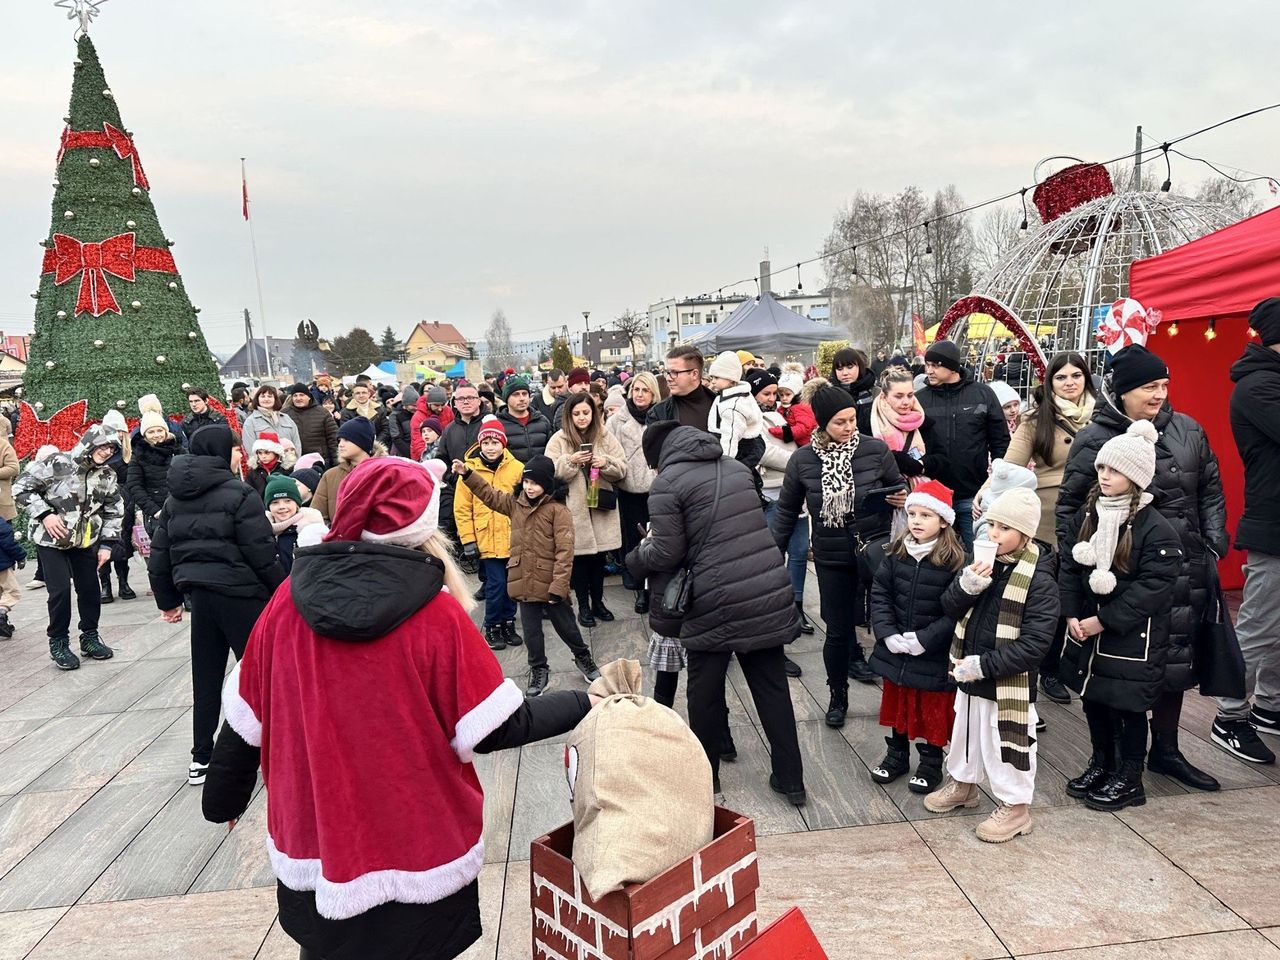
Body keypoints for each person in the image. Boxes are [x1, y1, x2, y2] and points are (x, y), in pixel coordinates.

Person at [201, 457, 594, 960]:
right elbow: (497, 726)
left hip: (316, 836)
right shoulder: (438, 615)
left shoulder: (285, 604)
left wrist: (223, 799)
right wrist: (586, 701)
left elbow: (245, 720)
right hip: (418, 843)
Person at [1056, 343, 1227, 792]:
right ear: (1124, 390)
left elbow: (1210, 489)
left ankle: (1166, 751)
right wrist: (1076, 565)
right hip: (1116, 577)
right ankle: (1112, 759)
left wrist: (1212, 544)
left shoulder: (1188, 429)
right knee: (1116, 671)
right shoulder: (1095, 438)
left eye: (1164, 385)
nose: (1159, 394)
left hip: (1183, 570)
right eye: (1150, 386)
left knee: (1174, 663)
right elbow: (1070, 508)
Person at [627, 422, 805, 804]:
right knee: (772, 688)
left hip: (713, 598)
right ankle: (791, 779)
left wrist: (637, 556)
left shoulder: (667, 483)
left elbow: (667, 553)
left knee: (704, 693)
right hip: (763, 588)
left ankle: (706, 778)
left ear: (658, 455)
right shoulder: (736, 468)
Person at [148, 425, 285, 785]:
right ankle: (272, 748)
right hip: (243, 597)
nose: (241, 455)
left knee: (206, 677)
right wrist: (283, 591)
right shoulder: (240, 494)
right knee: (260, 675)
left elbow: (160, 554)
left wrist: (168, 601)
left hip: (201, 599)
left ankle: (201, 756)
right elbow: (261, 553)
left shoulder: (175, 498)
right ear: (222, 451)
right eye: (237, 449)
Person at [1058, 420, 1182, 810]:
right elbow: (1069, 566)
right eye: (1102, 467)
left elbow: (1153, 589)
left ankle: (1130, 777)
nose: (1105, 475)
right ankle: (1102, 763)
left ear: (1136, 477)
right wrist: (1070, 613)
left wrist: (1104, 620)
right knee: (1094, 699)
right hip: (1088, 629)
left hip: (1132, 637)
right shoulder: (1089, 514)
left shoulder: (1155, 528)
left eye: (1115, 470)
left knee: (1127, 706)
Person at [925, 487, 1058, 843]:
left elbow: (1035, 644)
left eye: (1004, 528)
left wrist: (983, 665)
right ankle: (964, 784)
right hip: (969, 672)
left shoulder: (1039, 579)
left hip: (1005, 680)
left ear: (1025, 533)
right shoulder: (981, 562)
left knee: (1006, 742)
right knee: (965, 733)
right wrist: (968, 585)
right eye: (991, 524)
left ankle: (1016, 807)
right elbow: (949, 607)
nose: (994, 533)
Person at [772, 385, 904, 725]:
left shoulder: (874, 449)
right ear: (822, 423)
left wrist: (901, 497)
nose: (848, 428)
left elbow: (898, 485)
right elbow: (786, 511)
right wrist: (773, 555)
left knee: (886, 625)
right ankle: (837, 695)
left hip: (875, 551)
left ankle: (895, 697)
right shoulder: (803, 460)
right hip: (832, 555)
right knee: (837, 630)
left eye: (852, 420)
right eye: (840, 422)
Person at [976, 351, 1097, 704]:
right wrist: (987, 491)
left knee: (1087, 590)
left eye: (1076, 375)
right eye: (1061, 377)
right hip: (1048, 516)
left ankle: (1082, 665)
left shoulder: (1102, 416)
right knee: (1051, 594)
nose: (1069, 382)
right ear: (1050, 382)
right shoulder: (1036, 419)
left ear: (1086, 379)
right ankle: (1048, 669)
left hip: (1093, 514)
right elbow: (1010, 465)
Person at [457, 453, 600, 696]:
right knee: (531, 632)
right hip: (523, 579)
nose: (529, 487)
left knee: (567, 626)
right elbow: (490, 495)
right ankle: (538, 669)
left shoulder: (558, 511)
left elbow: (565, 551)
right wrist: (468, 474)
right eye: (526, 482)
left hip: (550, 581)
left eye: (535, 483)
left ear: (547, 484)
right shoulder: (516, 505)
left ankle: (583, 656)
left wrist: (559, 586)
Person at [1213, 298, 1280, 763]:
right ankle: (1229, 715)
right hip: (1272, 522)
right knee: (1259, 624)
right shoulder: (1258, 387)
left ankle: (1270, 705)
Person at [868, 480, 964, 795]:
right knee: (898, 704)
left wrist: (925, 639)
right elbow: (880, 594)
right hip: (897, 648)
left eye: (926, 515)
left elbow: (955, 611)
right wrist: (887, 633)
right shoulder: (897, 553)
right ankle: (896, 755)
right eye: (912, 514)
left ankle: (930, 762)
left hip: (932, 653)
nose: (917, 521)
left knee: (931, 709)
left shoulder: (954, 561)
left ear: (943, 521)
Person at [15, 425, 124, 670]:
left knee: (90, 589)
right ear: (90, 443)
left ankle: (89, 636)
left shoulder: (107, 474)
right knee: (60, 591)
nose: (107, 452)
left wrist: (107, 544)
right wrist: (45, 514)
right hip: (51, 541)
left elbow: (114, 509)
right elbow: (21, 488)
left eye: (111, 448)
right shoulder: (57, 462)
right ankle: (58, 641)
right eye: (103, 446)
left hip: (84, 541)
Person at [917, 340, 1010, 549]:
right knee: (935, 555)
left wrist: (996, 479)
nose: (929, 371)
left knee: (977, 551)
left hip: (972, 493)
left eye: (935, 365)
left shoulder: (982, 394)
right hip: (933, 495)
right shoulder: (920, 399)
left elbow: (1000, 440)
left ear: (952, 367)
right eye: (927, 365)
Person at [546, 394, 627, 627]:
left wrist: (605, 463)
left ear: (594, 413)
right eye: (577, 413)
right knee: (579, 561)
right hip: (574, 510)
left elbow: (622, 468)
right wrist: (571, 461)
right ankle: (583, 607)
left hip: (600, 507)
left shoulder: (605, 435)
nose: (582, 418)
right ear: (569, 416)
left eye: (586, 412)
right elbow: (550, 473)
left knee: (599, 560)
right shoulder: (558, 439)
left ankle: (598, 603)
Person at [454, 416, 524, 650]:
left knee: (512, 584)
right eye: (486, 443)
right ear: (479, 444)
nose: (490, 448)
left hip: (512, 537)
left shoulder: (517, 468)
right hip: (486, 539)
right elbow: (462, 509)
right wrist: (468, 540)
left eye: (495, 443)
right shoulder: (469, 471)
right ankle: (492, 625)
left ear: (503, 444)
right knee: (496, 585)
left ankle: (508, 622)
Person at [869, 365, 950, 538]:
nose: (906, 401)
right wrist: (893, 491)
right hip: (883, 515)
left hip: (923, 506)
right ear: (884, 396)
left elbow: (943, 460)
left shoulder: (923, 423)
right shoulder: (869, 423)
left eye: (910, 395)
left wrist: (919, 465)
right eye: (898, 396)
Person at [605, 371, 660, 614]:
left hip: (658, 488)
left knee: (658, 538)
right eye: (636, 389)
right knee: (634, 539)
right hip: (629, 489)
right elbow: (608, 450)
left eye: (645, 390)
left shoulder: (661, 416)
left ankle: (655, 585)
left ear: (653, 393)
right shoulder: (617, 421)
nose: (639, 394)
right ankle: (639, 587)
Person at [96, 410, 137, 604]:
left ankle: (123, 582)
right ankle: (105, 584)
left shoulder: (128, 452)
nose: (117, 434)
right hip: (100, 502)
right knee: (101, 541)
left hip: (124, 501)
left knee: (123, 542)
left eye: (119, 430)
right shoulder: (99, 451)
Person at [436, 383, 487, 541]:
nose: (466, 401)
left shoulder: (489, 424)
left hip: (487, 491)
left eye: (470, 397)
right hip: (458, 491)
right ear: (455, 403)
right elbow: (441, 459)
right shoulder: (449, 430)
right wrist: (453, 478)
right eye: (461, 399)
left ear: (478, 400)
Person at [127, 406, 182, 536]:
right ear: (144, 434)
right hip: (157, 515)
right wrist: (154, 511)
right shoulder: (138, 456)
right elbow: (134, 485)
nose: (156, 435)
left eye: (159, 430)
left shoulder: (179, 451)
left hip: (182, 510)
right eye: (151, 432)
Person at [313, 418, 376, 522]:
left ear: (362, 442)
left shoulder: (384, 473)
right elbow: (316, 517)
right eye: (339, 440)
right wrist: (335, 530)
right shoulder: (330, 476)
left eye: (346, 440)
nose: (340, 445)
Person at [706, 351, 764, 461]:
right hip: (747, 444)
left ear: (731, 380)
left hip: (738, 449)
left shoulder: (732, 405)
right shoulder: (742, 394)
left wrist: (725, 461)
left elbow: (731, 436)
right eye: (712, 377)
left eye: (717, 378)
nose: (712, 382)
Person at [263, 474, 323, 575]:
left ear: (297, 504)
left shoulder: (309, 531)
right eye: (275, 502)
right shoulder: (262, 532)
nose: (282, 507)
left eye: (288, 501)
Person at [647, 346, 716, 428]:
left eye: (674, 372)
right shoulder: (658, 413)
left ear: (694, 374)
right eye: (667, 372)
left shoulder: (721, 406)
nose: (668, 378)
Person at [495, 376, 552, 464]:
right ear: (507, 398)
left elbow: (551, 451)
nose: (522, 398)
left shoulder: (542, 421)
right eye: (516, 394)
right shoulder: (498, 425)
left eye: (524, 394)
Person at [284, 383, 338, 466]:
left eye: (301, 395)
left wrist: (336, 462)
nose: (298, 398)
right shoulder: (285, 414)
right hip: (293, 462)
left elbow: (333, 439)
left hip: (319, 461)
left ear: (309, 396)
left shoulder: (322, 413)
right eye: (295, 395)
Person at [241, 385, 301, 459]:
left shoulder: (286, 418)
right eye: (263, 396)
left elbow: (296, 443)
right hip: (265, 464)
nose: (266, 399)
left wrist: (295, 460)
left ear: (275, 399)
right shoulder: (250, 422)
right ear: (257, 399)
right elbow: (250, 448)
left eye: (270, 396)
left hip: (290, 463)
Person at [831, 346, 877, 435]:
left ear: (859, 367)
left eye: (850, 367)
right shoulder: (829, 395)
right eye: (839, 369)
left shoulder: (875, 393)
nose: (845, 373)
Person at [410, 384, 454, 460]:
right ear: (429, 403)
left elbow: (453, 431)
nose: (440, 408)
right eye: (436, 405)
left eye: (442, 405)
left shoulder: (448, 410)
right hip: (424, 456)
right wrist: (428, 457)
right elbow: (418, 441)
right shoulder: (418, 417)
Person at [247, 431, 293, 501]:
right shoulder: (253, 471)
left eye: (267, 453)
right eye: (260, 453)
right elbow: (249, 492)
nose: (263, 456)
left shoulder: (286, 470)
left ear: (276, 452)